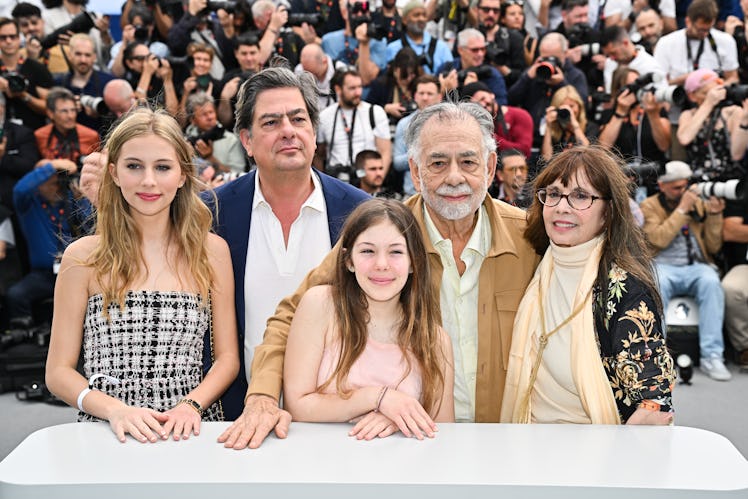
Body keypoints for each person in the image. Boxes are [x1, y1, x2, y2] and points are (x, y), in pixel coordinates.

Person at [218, 100, 539, 449]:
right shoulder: (383, 234)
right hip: (409, 444)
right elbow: (289, 317)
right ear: (415, 171)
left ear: (491, 167)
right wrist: (263, 396)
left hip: (504, 442)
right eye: (437, 163)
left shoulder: (531, 240)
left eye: (468, 161)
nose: (454, 177)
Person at [46, 108, 240, 443]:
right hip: (107, 434)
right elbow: (58, 373)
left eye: (162, 167)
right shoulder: (82, 258)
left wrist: (190, 406)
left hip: (188, 431)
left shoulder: (211, 251)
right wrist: (114, 410)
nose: (148, 180)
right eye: (134, 166)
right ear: (114, 173)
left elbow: (227, 359)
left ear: (182, 175)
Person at [502, 145, 675, 425]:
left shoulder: (626, 291)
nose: (561, 207)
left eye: (581, 196)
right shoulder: (536, 266)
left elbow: (654, 407)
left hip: (599, 454)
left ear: (608, 212)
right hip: (526, 444)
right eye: (554, 194)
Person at [284, 198, 454, 439]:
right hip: (323, 467)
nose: (381, 264)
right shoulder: (320, 306)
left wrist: (399, 418)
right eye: (367, 251)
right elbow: (297, 406)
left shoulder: (434, 340)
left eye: (395, 252)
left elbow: (442, 431)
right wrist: (379, 398)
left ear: (414, 262)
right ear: (348, 260)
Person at [640, 160, 731, 381]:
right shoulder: (649, 206)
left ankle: (712, 356)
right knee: (657, 285)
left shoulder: (697, 204)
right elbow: (658, 239)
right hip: (662, 265)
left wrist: (715, 215)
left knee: (711, 283)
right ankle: (657, 357)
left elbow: (713, 247)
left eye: (685, 187)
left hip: (695, 265)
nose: (682, 192)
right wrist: (682, 209)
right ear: (661, 185)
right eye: (676, 188)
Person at [677, 68, 747, 182]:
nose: (714, 96)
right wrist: (708, 103)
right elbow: (684, 138)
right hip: (698, 181)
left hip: (730, 181)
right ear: (692, 96)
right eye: (706, 93)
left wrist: (745, 119)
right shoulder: (688, 115)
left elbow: (737, 154)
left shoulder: (733, 112)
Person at [654, 0, 739, 87]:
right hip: (680, 95)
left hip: (717, 95)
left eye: (708, 29)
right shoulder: (666, 43)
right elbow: (658, 84)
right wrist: (685, 80)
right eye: (701, 30)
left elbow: (733, 78)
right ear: (688, 22)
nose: (705, 34)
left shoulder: (725, 40)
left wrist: (716, 86)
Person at [540, 85, 590, 162]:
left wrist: (575, 126)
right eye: (563, 107)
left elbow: (588, 155)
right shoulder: (555, 130)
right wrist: (548, 126)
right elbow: (546, 159)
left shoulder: (590, 127)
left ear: (579, 106)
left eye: (571, 106)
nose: (569, 110)